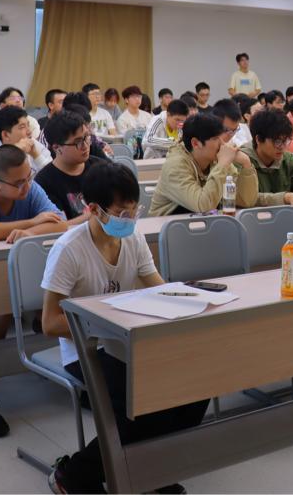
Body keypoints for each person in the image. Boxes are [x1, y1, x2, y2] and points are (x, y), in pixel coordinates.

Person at [41, 163, 208, 494]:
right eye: (121, 213)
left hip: (129, 341)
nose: (129, 220)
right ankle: (73, 474)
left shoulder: (133, 236)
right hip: (86, 350)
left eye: (134, 211)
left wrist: (192, 300)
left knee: (195, 385)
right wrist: (106, 328)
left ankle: (150, 467)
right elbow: (50, 322)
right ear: (93, 209)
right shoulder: (69, 249)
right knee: (145, 401)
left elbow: (158, 287)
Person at [0, 144, 69, 436]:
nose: (27, 187)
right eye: (19, 183)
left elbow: (60, 223)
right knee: (1, 307)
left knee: (63, 296)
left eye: (29, 178)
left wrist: (29, 233)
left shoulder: (29, 187)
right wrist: (33, 222)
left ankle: (72, 370)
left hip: (22, 268)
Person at [149, 113, 259, 216]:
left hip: (202, 225)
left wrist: (246, 164)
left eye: (222, 138)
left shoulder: (215, 159)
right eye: (215, 139)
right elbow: (204, 206)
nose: (223, 144)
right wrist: (222, 165)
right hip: (166, 227)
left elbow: (245, 201)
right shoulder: (175, 166)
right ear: (196, 143)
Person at [36, 111, 106, 219]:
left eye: (87, 137)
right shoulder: (44, 182)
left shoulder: (101, 168)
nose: (85, 146)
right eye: (78, 142)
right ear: (56, 148)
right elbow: (59, 225)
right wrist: (95, 215)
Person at [0, 106, 53, 181]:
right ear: (6, 135)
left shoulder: (33, 144)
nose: (29, 131)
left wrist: (36, 155)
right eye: (22, 127)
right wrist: (12, 153)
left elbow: (53, 176)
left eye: (28, 125)